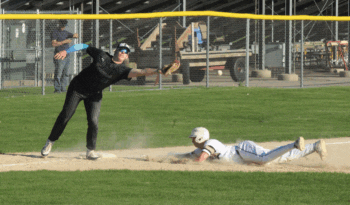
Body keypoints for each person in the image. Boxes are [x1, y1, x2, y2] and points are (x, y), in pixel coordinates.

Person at [41, 42, 163, 160]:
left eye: (125, 52)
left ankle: (90, 151)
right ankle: (50, 142)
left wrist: (157, 71)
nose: (122, 52)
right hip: (77, 88)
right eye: (121, 49)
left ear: (127, 56)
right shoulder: (101, 56)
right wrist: (66, 51)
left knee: (93, 121)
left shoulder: (122, 71)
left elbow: (141, 72)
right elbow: (83, 46)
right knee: (66, 116)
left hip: (94, 94)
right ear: (115, 51)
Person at [181, 127, 327, 165]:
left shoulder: (210, 143)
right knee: (281, 159)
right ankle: (314, 146)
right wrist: (171, 159)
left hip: (243, 151)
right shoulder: (199, 149)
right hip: (246, 157)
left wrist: (188, 164)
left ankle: (293, 144)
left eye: (193, 138)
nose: (192, 140)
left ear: (200, 137)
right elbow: (188, 156)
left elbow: (201, 159)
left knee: (265, 158)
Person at [51, 20, 79, 93]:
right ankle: (57, 89)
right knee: (58, 73)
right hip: (59, 55)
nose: (63, 27)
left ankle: (63, 88)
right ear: (59, 23)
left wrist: (75, 35)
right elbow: (53, 44)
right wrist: (64, 42)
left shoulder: (65, 32)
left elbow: (74, 35)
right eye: (62, 25)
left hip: (67, 55)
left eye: (64, 26)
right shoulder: (55, 32)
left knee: (66, 73)